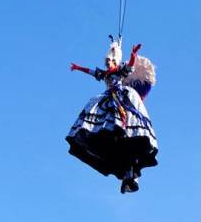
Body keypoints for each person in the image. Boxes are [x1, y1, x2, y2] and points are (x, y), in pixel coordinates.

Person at [67, 37, 158, 193]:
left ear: (115, 61)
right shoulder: (104, 74)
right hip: (109, 98)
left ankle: (124, 144)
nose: (107, 63)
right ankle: (111, 137)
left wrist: (133, 54)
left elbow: (129, 65)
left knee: (122, 115)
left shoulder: (119, 71)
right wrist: (77, 67)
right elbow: (90, 71)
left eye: (109, 61)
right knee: (98, 110)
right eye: (106, 61)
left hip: (121, 97)